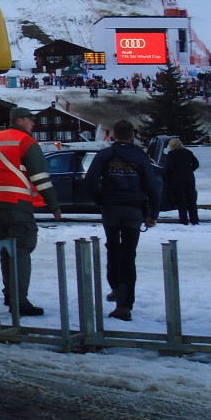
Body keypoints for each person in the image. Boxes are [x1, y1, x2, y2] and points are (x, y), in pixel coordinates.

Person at [0, 106, 62, 317]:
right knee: (22, 249)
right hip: (17, 203)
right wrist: (54, 205)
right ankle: (20, 301)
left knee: (6, 250)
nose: (33, 124)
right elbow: (40, 177)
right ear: (20, 121)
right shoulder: (27, 142)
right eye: (31, 120)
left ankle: (9, 295)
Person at [84, 119, 161, 321]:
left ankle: (115, 285)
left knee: (112, 247)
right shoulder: (140, 157)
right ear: (132, 135)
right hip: (133, 209)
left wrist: (100, 200)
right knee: (129, 255)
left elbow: (90, 181)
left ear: (114, 135)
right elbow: (153, 187)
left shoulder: (105, 155)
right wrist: (153, 213)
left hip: (111, 208)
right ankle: (125, 304)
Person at [162, 137, 200, 225]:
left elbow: (168, 167)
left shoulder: (171, 154)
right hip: (189, 178)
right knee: (191, 199)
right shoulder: (188, 152)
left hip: (177, 179)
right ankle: (194, 219)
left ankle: (184, 220)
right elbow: (196, 164)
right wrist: (189, 169)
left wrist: (167, 175)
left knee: (181, 200)